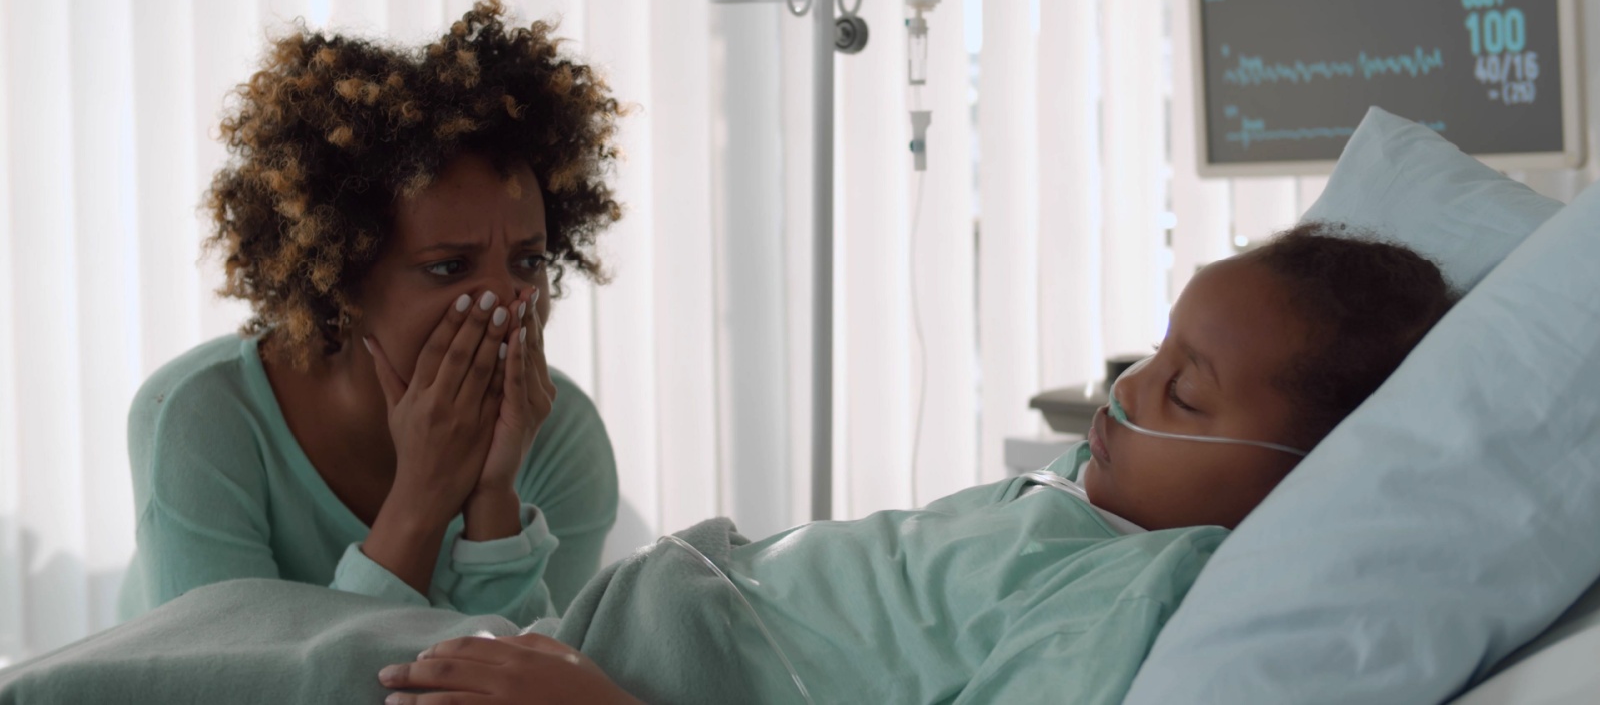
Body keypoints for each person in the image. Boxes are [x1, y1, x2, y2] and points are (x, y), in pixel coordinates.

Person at [365, 223, 1457, 704]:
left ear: (1303, 475)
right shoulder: (1076, 511)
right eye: (1154, 350)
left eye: (1182, 390)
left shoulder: (1130, 586)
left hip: (657, 667)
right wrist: (486, 498)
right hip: (611, 630)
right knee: (248, 638)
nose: (1125, 389)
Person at [116, 0, 626, 627]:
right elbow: (244, 684)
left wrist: (493, 499)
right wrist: (423, 496)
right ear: (344, 285)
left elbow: (529, 684)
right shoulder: (199, 421)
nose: (508, 301)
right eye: (449, 266)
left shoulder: (563, 440)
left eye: (528, 261)